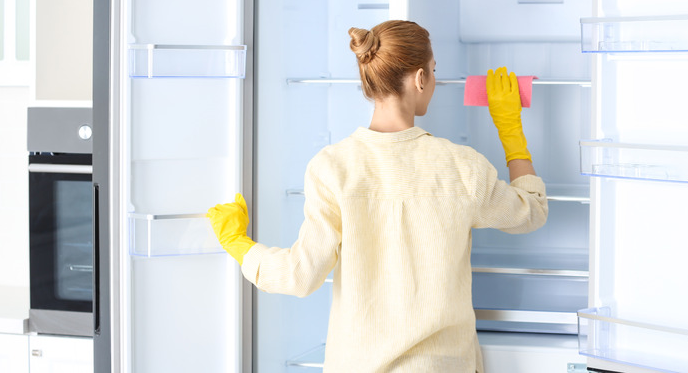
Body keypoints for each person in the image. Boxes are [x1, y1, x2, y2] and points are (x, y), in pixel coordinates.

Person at [207, 20, 548, 372]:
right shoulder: (463, 166)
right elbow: (531, 212)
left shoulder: (333, 167)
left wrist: (238, 243)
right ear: (419, 78)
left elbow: (300, 275)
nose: (433, 80)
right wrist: (510, 129)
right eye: (433, 71)